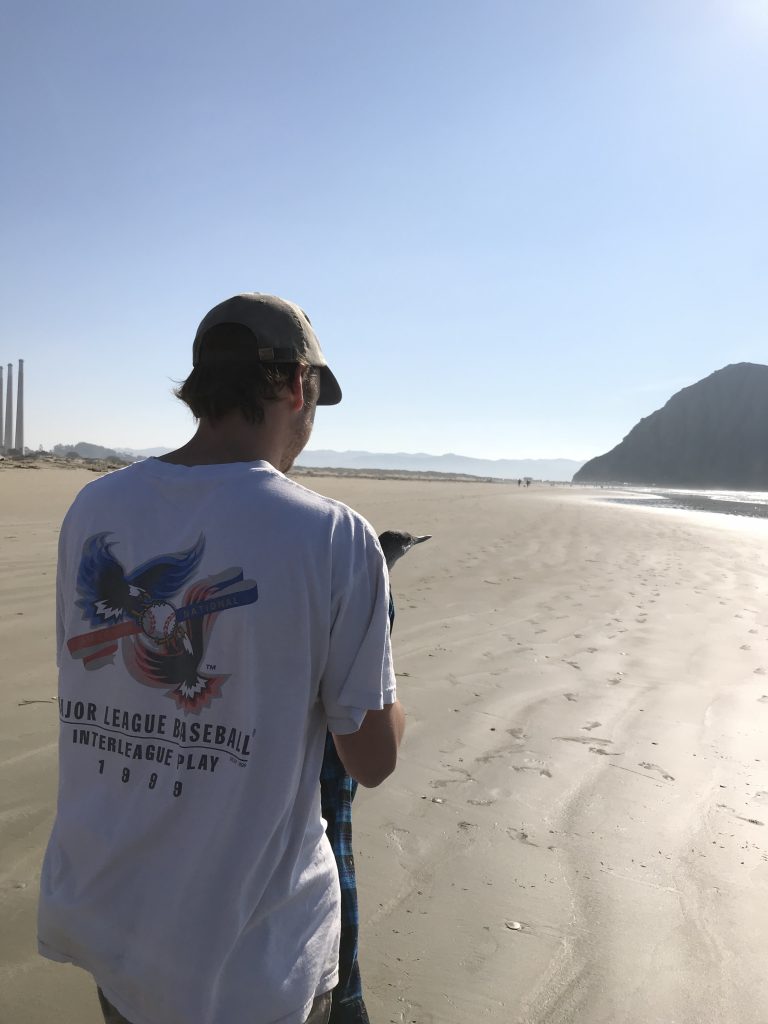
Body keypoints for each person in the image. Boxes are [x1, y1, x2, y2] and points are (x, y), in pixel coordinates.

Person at [37, 293, 405, 1024]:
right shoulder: (336, 539)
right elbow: (370, 757)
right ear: (296, 386)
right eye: (313, 403)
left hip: (111, 924)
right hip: (250, 959)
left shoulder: (92, 509)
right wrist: (382, 661)